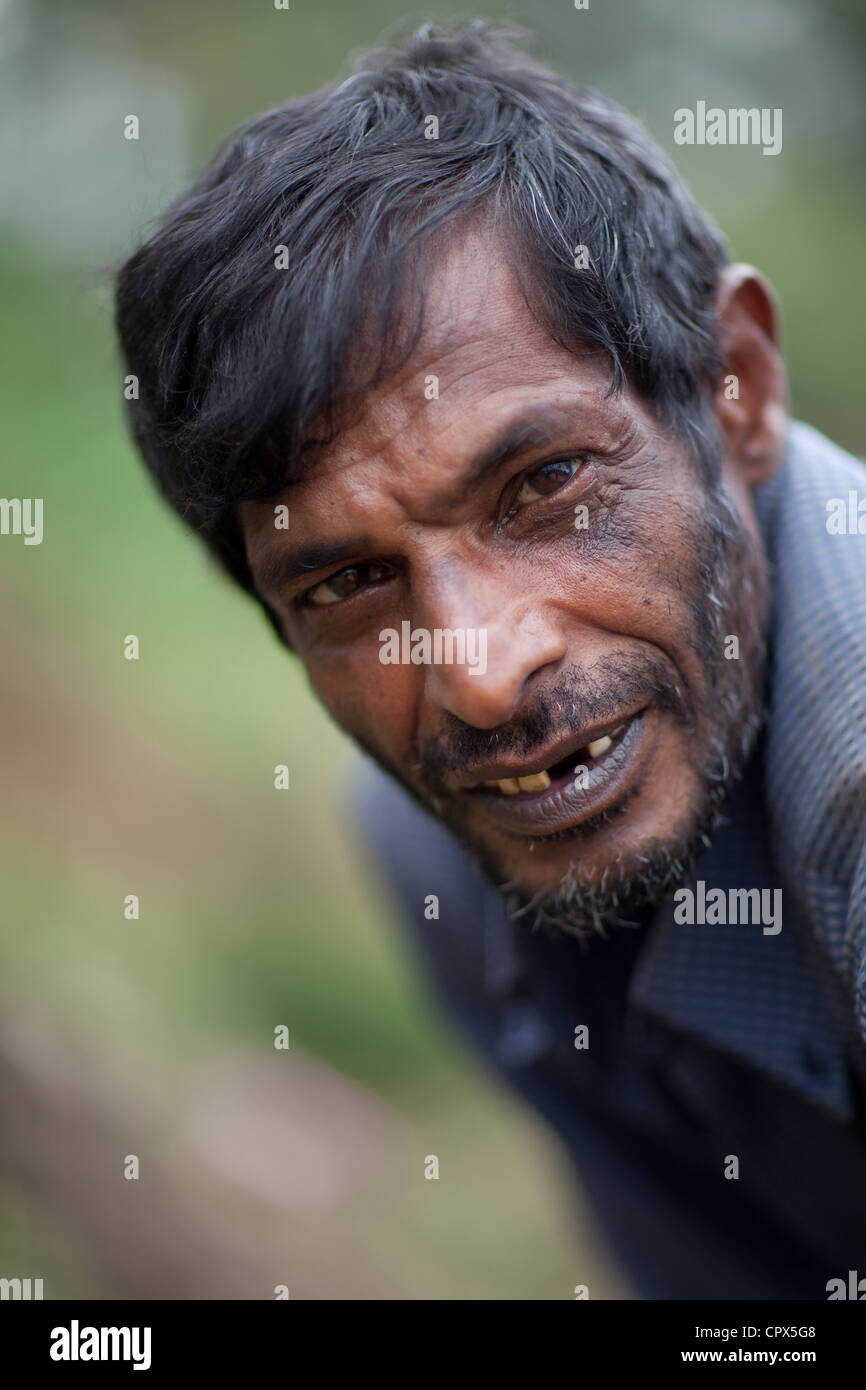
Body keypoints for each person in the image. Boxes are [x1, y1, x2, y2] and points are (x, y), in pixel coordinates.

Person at [113, 21, 866, 1298]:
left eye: (548, 484)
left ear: (733, 386)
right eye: (348, 581)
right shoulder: (445, 861)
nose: (477, 672)